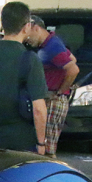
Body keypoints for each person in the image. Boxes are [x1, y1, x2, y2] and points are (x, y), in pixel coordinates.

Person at [0, 1, 48, 153]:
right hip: (23, 142)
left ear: (3, 25)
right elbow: (39, 109)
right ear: (26, 27)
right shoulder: (30, 59)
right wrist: (41, 143)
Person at [26, 15, 79, 156]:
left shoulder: (51, 46)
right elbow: (72, 58)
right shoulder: (52, 43)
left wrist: (61, 90)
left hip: (53, 99)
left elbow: (73, 69)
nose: (27, 38)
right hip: (50, 97)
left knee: (46, 147)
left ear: (36, 28)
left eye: (28, 33)